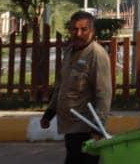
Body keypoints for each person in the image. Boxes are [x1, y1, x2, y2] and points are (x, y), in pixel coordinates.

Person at [40, 10, 112, 164]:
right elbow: (62, 86)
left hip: (86, 128)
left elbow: (104, 94)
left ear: (92, 31)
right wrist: (49, 113)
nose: (78, 34)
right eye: (74, 29)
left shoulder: (97, 55)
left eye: (83, 29)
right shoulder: (69, 52)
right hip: (70, 126)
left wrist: (97, 129)